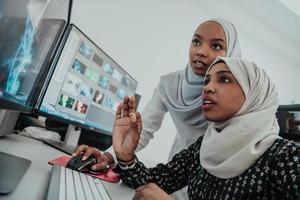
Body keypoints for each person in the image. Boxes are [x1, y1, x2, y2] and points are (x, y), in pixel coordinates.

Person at [73, 18, 242, 199]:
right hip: (178, 168)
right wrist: (110, 156)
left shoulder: (234, 98)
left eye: (216, 46)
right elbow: (143, 129)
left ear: (231, 55)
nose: (201, 51)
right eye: (196, 42)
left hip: (212, 178)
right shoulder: (170, 84)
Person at [111, 57, 300, 199]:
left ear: (254, 94)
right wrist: (125, 155)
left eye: (224, 79)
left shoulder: (287, 159)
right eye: (206, 81)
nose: (207, 88)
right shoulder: (203, 146)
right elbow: (153, 182)